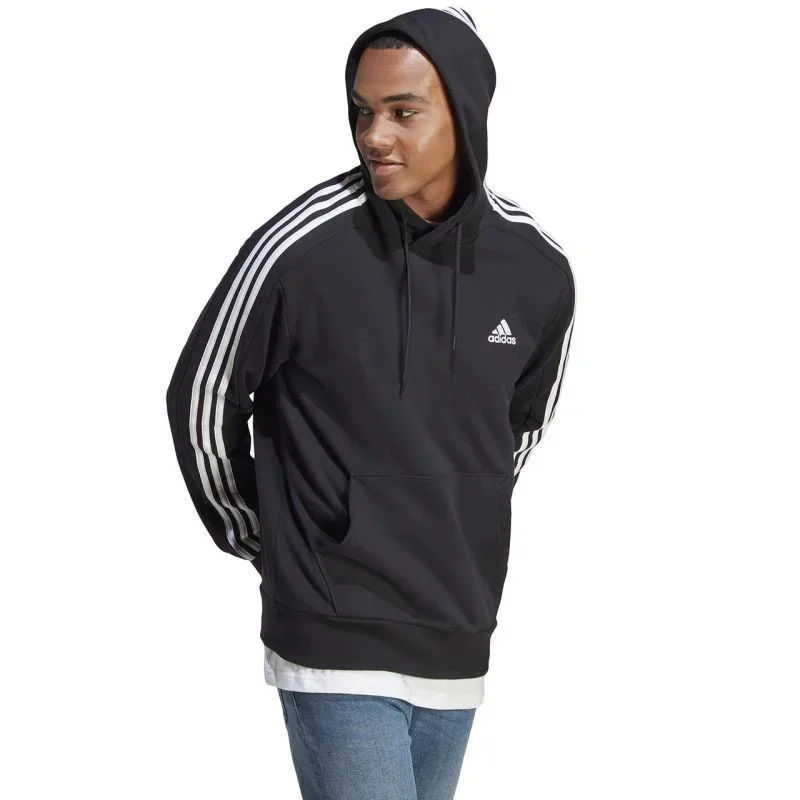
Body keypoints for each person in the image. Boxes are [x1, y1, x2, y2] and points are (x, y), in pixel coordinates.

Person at [165, 6, 576, 798]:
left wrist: (463, 509)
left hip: (458, 628)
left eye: (402, 112)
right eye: (361, 111)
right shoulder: (303, 246)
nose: (373, 135)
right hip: (334, 626)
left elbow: (520, 427)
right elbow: (203, 396)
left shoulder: (536, 268)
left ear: (465, 111)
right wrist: (269, 537)